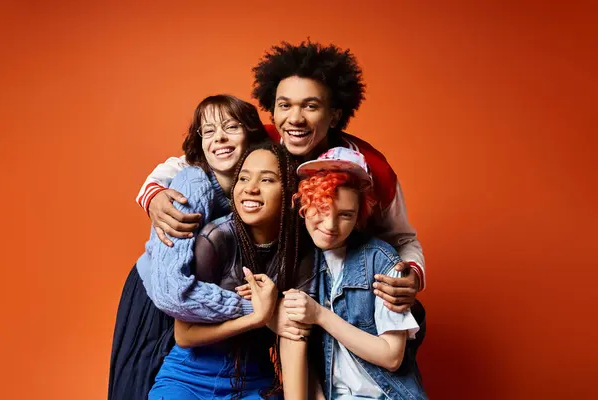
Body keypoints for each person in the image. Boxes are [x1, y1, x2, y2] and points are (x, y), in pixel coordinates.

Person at [138, 41, 426, 316]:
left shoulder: (371, 167)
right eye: (285, 105)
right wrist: (154, 195)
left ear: (335, 115)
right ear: (273, 111)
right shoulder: (261, 142)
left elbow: (402, 238)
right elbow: (188, 162)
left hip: (335, 287)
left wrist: (412, 274)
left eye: (311, 106)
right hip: (252, 283)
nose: (295, 119)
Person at [108, 95, 270, 400]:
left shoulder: (254, 183)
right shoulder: (193, 184)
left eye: (231, 127)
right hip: (156, 298)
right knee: (138, 387)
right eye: (208, 131)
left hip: (205, 306)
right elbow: (173, 293)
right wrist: (257, 307)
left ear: (251, 134)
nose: (219, 137)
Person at [148, 143, 315, 399]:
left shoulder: (300, 249)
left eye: (267, 179)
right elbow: (184, 335)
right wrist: (258, 317)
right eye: (244, 178)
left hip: (253, 380)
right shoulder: (215, 238)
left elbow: (293, 334)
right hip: (188, 378)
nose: (250, 188)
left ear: (290, 192)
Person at [284, 147, 427, 399]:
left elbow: (391, 356)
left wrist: (319, 314)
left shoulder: (382, 261)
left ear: (359, 216)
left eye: (345, 215)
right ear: (305, 204)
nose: (330, 226)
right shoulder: (301, 261)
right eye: (322, 208)